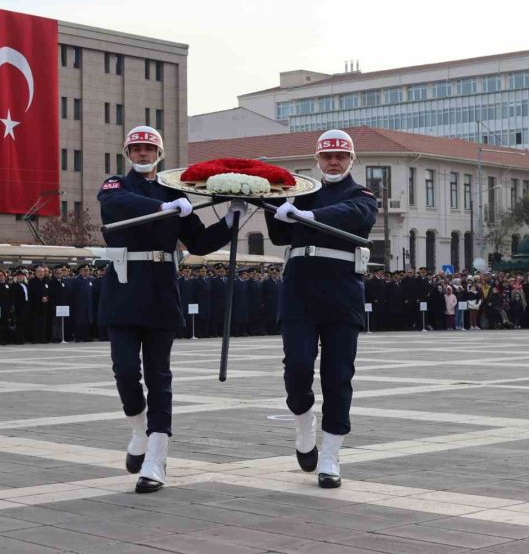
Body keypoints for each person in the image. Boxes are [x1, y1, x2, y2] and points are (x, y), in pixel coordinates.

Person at [97, 125, 243, 493]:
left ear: (159, 153)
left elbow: (199, 241)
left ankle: (157, 458)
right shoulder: (117, 185)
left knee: (159, 374)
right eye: (137, 148)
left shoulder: (175, 191)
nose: (143, 154)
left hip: (161, 286)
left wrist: (229, 221)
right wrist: (161, 207)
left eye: (149, 148)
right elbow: (115, 207)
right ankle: (138, 428)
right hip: (124, 284)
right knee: (125, 370)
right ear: (127, 153)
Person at [265, 129, 377, 488]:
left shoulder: (361, 195)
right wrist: (270, 203)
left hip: (341, 294)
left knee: (338, 376)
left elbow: (354, 215)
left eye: (340, 157)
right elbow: (281, 234)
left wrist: (305, 216)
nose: (333, 162)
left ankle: (330, 455)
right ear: (317, 160)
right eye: (327, 157)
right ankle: (303, 424)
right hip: (299, 291)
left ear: (351, 160)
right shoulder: (302, 192)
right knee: (297, 368)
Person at [69, 264, 95, 342]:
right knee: (79, 321)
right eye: (85, 270)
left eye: (88, 270)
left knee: (88, 320)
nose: (87, 272)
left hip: (88, 304)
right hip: (79, 304)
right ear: (80, 271)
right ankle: (78, 337)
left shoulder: (91, 280)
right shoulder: (76, 280)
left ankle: (87, 336)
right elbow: (72, 293)